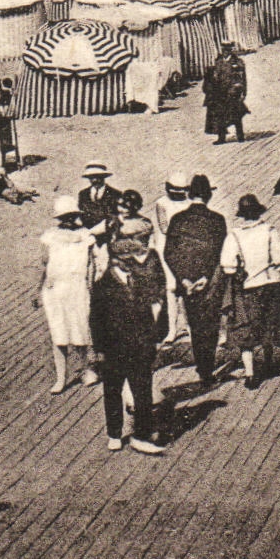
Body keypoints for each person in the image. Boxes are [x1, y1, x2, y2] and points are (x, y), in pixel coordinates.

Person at [90, 216, 167, 455]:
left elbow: (149, 311)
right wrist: (99, 350)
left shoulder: (138, 281)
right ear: (117, 262)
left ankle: (141, 434)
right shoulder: (104, 287)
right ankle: (114, 433)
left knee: (142, 391)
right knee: (113, 391)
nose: (131, 263)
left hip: (140, 346)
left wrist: (153, 338)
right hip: (114, 349)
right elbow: (96, 321)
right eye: (127, 260)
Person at [219, 195, 280, 389]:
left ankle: (250, 373)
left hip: (246, 289)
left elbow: (228, 267)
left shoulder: (234, 235)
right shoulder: (269, 230)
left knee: (245, 330)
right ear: (259, 212)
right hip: (268, 284)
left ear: (241, 215)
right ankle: (269, 361)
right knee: (268, 325)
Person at [163, 174, 228, 386]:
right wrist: (206, 277)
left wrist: (183, 279)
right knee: (210, 325)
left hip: (187, 284)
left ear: (189, 195)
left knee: (195, 324)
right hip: (210, 283)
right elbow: (221, 253)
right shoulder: (218, 220)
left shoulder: (178, 219)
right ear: (208, 196)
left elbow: (169, 253)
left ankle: (202, 364)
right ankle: (206, 369)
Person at [37, 196, 102, 394]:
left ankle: (87, 370)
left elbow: (91, 264)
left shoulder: (85, 235)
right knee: (59, 334)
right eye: (64, 217)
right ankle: (60, 378)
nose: (68, 221)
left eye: (71, 216)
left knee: (80, 330)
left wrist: (90, 286)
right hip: (55, 290)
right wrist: (37, 290)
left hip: (78, 288)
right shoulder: (49, 237)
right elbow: (44, 265)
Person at [151, 173, 193, 346]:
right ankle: (172, 329)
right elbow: (164, 227)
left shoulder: (189, 203)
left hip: (184, 250)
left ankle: (189, 327)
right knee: (170, 291)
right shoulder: (162, 203)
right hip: (167, 250)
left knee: (186, 289)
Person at [202, 42, 249, 144]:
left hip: (232, 92)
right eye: (223, 50)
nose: (225, 53)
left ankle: (240, 135)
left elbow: (242, 79)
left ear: (230, 51)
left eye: (227, 50)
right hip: (220, 93)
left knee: (235, 115)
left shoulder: (237, 63)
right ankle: (221, 137)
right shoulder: (218, 62)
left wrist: (243, 93)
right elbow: (214, 77)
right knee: (220, 116)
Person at [77, 162, 122, 229]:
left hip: (108, 233)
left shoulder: (115, 193)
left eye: (98, 176)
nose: (95, 180)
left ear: (104, 176)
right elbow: (81, 213)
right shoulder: (83, 194)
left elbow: (119, 216)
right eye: (91, 177)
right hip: (87, 233)